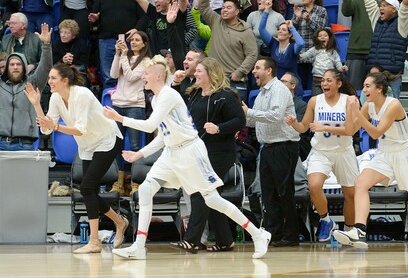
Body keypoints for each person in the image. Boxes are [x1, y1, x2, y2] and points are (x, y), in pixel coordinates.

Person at [103, 55, 271, 259]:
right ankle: (139, 246)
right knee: (146, 189)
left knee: (212, 199)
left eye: (146, 74)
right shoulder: (157, 98)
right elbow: (164, 136)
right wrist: (139, 153)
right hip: (171, 152)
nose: (143, 77)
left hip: (190, 151)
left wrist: (119, 118)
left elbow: (149, 126)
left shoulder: (168, 96)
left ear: (158, 76)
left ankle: (258, 234)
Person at [333, 71, 408, 252]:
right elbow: (350, 129)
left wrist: (357, 113)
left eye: (367, 86)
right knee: (361, 183)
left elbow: (376, 133)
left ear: (379, 89)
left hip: (404, 154)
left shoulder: (393, 105)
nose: (364, 89)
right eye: (363, 86)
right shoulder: (369, 105)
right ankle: (359, 230)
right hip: (385, 152)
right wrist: (350, 111)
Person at [25, 63, 128, 254]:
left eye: (53, 78)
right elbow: (46, 128)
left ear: (65, 80)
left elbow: (79, 129)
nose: (49, 82)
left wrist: (55, 126)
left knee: (87, 188)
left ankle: (94, 241)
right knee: (90, 191)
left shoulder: (83, 95)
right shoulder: (56, 97)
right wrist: (37, 105)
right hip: (87, 144)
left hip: (107, 140)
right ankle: (119, 222)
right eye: (49, 78)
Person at [173, 57, 246, 252]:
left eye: (199, 71)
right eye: (195, 71)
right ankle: (225, 240)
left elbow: (239, 120)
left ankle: (192, 240)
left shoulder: (226, 95)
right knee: (212, 197)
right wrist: (175, 83)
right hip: (198, 152)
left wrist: (219, 128)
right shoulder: (195, 94)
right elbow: (174, 106)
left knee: (201, 192)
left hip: (220, 152)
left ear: (211, 74)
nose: (195, 74)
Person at [286, 69, 359, 242]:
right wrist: (294, 123)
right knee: (314, 185)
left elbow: (350, 131)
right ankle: (326, 220)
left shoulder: (348, 101)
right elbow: (304, 127)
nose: (324, 84)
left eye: (329, 81)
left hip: (343, 152)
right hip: (321, 151)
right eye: (323, 81)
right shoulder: (314, 101)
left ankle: (348, 232)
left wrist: (324, 127)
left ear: (339, 84)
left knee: (350, 195)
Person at [243, 57, 300, 246]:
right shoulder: (261, 94)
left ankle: (291, 235)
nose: (253, 71)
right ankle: (274, 234)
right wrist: (239, 115)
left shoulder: (279, 90)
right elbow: (254, 121)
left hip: (283, 146)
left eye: (257, 68)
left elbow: (275, 116)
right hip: (267, 148)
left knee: (284, 192)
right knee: (268, 194)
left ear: (268, 71)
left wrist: (249, 112)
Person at [89, 0, 149, 89]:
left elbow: (145, 16)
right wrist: (94, 19)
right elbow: (95, 17)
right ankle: (110, 104)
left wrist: (136, 29)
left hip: (129, 41)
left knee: (131, 73)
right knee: (108, 76)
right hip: (107, 40)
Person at [200, 0, 258, 103]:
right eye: (223, 7)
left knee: (235, 116)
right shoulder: (216, 21)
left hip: (233, 80)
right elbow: (203, 7)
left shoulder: (245, 30)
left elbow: (252, 54)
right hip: (213, 78)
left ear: (237, 11)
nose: (224, 10)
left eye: (228, 7)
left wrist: (240, 72)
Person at [0, 23, 51, 151]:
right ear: (7, 67)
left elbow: (45, 68)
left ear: (24, 67)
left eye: (18, 64)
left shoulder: (32, 83)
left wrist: (46, 46)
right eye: (12, 64)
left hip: (24, 143)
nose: (15, 67)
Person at [366, 0, 408, 99]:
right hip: (374, 77)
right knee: (369, 109)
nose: (381, 7)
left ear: (394, 10)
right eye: (380, 5)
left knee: (392, 111)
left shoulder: (401, 24)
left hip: (391, 78)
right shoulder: (376, 22)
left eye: (385, 5)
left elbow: (405, 7)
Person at [110, 31, 152, 159]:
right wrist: (117, 54)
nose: (133, 42)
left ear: (144, 44)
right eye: (132, 40)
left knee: (135, 145)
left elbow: (130, 77)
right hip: (117, 104)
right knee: (116, 145)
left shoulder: (147, 61)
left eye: (137, 40)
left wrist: (123, 55)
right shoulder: (124, 57)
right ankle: (119, 177)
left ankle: (136, 177)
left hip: (135, 106)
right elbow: (113, 74)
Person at [259, 16, 304, 91]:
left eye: (284, 30)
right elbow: (261, 29)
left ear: (289, 35)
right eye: (279, 29)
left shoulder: (292, 48)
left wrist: (291, 27)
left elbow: (300, 43)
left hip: (291, 87)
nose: (280, 31)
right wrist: (266, 11)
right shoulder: (273, 44)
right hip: (277, 86)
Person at [299, 28, 345, 95]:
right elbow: (303, 56)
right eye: (320, 36)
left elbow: (338, 64)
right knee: (316, 99)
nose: (322, 37)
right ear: (317, 39)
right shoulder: (314, 50)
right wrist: (295, 53)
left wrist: (342, 68)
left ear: (330, 38)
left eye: (325, 35)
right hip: (316, 80)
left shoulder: (333, 52)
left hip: (329, 81)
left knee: (329, 97)